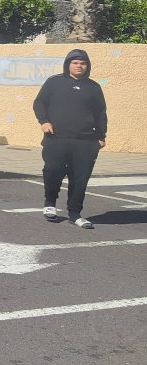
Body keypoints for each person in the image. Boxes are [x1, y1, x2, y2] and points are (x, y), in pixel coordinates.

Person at [33, 49, 107, 230]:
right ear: (68, 64)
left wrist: (101, 137)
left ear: (87, 66)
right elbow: (39, 102)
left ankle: (75, 214)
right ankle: (50, 203)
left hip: (85, 141)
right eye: (75, 62)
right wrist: (44, 121)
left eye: (83, 63)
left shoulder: (93, 87)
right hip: (56, 138)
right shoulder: (54, 82)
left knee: (80, 178)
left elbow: (101, 113)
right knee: (52, 171)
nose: (79, 66)